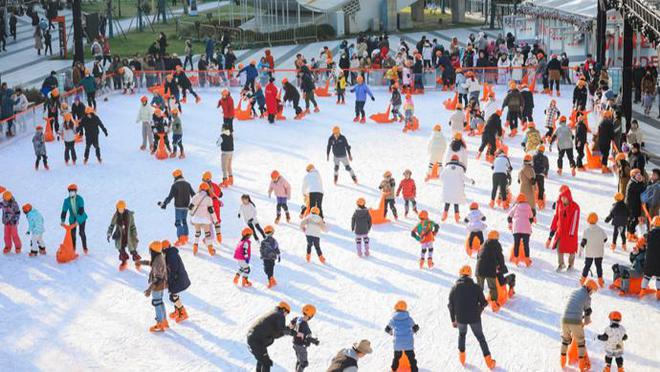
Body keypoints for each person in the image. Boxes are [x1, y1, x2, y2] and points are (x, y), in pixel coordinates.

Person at [448, 265, 496, 369]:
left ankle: (462, 358)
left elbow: (450, 306)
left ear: (460, 274)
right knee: (480, 338)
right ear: (470, 275)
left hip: (460, 318)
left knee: (462, 335)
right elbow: (484, 303)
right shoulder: (476, 287)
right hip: (474, 317)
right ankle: (489, 362)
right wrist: (479, 311)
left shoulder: (454, 288)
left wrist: (453, 320)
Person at [560, 280, 598, 370]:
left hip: (564, 319)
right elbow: (587, 311)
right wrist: (587, 321)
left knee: (565, 340)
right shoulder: (587, 297)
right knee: (580, 343)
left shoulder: (574, 291)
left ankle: (562, 362)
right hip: (575, 321)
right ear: (589, 288)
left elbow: (573, 307)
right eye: (592, 291)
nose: (592, 293)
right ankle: (582, 366)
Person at [247, 302, 291, 371]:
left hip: (253, 339)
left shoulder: (273, 314)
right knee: (266, 363)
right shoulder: (280, 315)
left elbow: (277, 334)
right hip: (257, 341)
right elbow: (282, 329)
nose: (286, 315)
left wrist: (287, 329)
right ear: (284, 310)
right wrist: (293, 332)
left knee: (262, 360)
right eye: (287, 313)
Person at [159, 169, 196, 247]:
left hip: (178, 207)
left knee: (178, 222)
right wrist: (193, 204)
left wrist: (164, 203)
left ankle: (181, 239)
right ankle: (185, 236)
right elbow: (194, 195)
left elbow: (170, 197)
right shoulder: (187, 184)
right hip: (186, 206)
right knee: (184, 221)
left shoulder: (175, 185)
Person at [548, 186, 581, 271]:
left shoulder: (575, 207)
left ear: (568, 197)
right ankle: (561, 264)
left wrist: (571, 233)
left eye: (565, 198)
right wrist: (553, 229)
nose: (563, 199)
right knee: (559, 248)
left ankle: (571, 265)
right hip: (561, 231)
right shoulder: (559, 205)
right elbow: (556, 217)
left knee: (571, 250)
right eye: (562, 197)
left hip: (570, 233)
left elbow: (575, 221)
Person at [140, 241, 169, 332]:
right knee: (160, 302)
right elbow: (151, 263)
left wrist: (149, 289)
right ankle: (164, 321)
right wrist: (141, 262)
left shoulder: (157, 260)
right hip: (162, 285)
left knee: (157, 303)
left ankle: (160, 323)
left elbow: (158, 278)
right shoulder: (159, 256)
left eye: (150, 249)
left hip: (158, 286)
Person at [385, 300, 419, 372]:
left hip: (398, 343)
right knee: (411, 358)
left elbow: (387, 329)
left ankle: (394, 370)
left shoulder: (393, 319)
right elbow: (415, 328)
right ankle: (414, 370)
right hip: (408, 343)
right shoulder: (409, 319)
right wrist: (414, 330)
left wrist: (391, 333)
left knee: (396, 358)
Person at [106, 200, 141, 270]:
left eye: (122, 209)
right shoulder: (116, 216)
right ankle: (124, 261)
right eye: (119, 209)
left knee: (133, 249)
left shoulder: (129, 215)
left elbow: (133, 226)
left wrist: (134, 234)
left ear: (124, 208)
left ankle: (137, 261)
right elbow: (112, 225)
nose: (120, 210)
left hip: (128, 235)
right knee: (121, 249)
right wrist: (109, 233)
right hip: (120, 236)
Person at [163, 240, 190, 323]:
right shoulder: (171, 253)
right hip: (178, 278)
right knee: (173, 295)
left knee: (174, 296)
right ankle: (177, 310)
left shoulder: (171, 256)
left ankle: (183, 313)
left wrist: (170, 280)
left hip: (178, 279)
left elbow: (173, 269)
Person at [440, 155, 474, 222]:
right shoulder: (460, 168)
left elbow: (441, 177)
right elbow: (464, 178)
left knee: (447, 202)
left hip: (447, 190)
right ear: (457, 160)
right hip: (457, 190)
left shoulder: (446, 168)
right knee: (456, 203)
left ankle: (444, 215)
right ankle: (457, 217)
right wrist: (471, 181)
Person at [189, 183, 220, 256]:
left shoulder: (195, 197)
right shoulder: (208, 198)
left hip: (196, 218)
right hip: (205, 219)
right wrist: (215, 220)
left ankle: (195, 248)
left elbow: (190, 208)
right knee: (207, 234)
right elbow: (211, 211)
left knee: (197, 233)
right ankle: (210, 249)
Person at [579, 213, 608, 286]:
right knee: (599, 266)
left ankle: (582, 280)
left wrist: (580, 250)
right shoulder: (601, 230)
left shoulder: (586, 231)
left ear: (588, 220)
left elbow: (583, 242)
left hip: (589, 253)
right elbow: (605, 239)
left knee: (587, 266)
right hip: (599, 252)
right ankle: (601, 282)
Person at [290, 304, 320, 372]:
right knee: (304, 363)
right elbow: (306, 337)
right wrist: (314, 341)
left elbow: (291, 326)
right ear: (310, 315)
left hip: (295, 344)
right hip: (301, 346)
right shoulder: (304, 325)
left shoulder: (298, 318)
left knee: (299, 360)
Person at [508, 194, 535, 266]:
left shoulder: (516, 206)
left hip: (517, 228)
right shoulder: (528, 206)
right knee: (526, 245)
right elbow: (531, 218)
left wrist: (510, 224)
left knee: (516, 244)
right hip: (526, 228)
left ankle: (516, 260)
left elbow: (509, 216)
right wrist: (528, 223)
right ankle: (527, 261)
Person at [60, 184, 87, 254]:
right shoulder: (66, 201)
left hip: (81, 218)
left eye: (73, 191)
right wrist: (62, 221)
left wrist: (78, 221)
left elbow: (81, 210)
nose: (71, 192)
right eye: (70, 191)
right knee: (72, 235)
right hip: (72, 218)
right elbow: (64, 211)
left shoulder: (80, 199)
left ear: (76, 191)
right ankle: (73, 249)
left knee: (81, 233)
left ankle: (85, 248)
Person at [639, 216, 660, 299]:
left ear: (653, 224)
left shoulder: (649, 234)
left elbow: (640, 242)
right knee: (659, 277)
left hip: (649, 260)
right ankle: (658, 293)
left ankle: (642, 291)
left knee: (646, 276)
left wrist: (640, 247)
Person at [217, 102, 234, 186]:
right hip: (231, 152)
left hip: (225, 153)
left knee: (224, 168)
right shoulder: (230, 134)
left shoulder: (222, 135)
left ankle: (225, 181)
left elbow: (217, 143)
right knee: (229, 166)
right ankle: (231, 179)